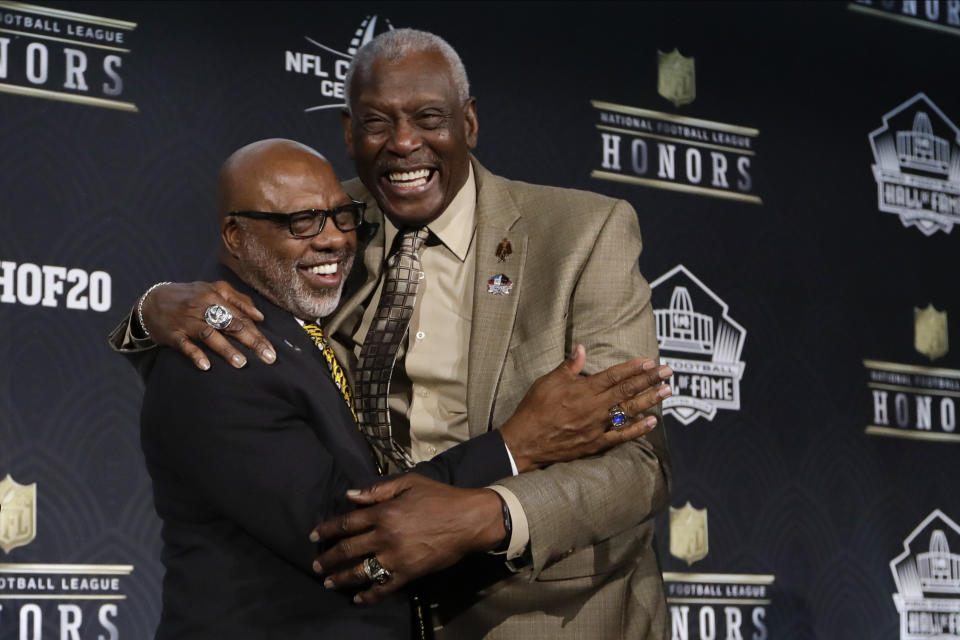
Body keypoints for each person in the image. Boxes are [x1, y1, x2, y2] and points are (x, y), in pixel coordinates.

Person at [115, 29, 671, 639]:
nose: (404, 143)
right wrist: (147, 311)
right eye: (378, 122)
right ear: (351, 134)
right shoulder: (327, 219)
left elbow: (632, 446)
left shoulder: (583, 235)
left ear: (470, 123)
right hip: (379, 606)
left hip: (544, 612)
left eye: (429, 118)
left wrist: (492, 514)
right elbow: (225, 333)